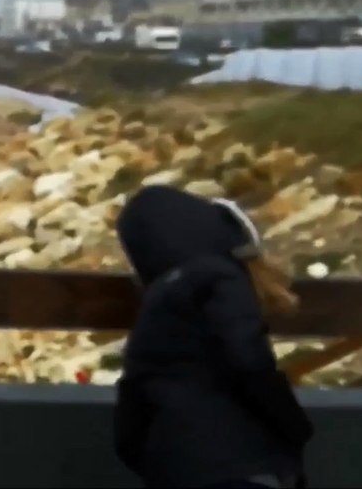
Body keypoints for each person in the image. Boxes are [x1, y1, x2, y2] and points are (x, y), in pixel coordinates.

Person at [113, 185, 313, 489]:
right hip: (240, 464)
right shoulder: (220, 276)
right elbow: (249, 360)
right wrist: (295, 427)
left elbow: (130, 418)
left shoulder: (154, 308)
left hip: (171, 469)